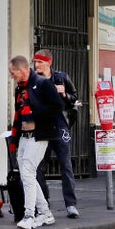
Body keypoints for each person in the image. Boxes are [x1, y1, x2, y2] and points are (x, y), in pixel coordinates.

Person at [8, 55, 64, 229]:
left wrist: (34, 112)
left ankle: (29, 215)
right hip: (25, 137)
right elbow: (18, 115)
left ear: (22, 70)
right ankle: (45, 212)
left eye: (13, 72)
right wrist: (14, 139)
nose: (11, 75)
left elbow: (58, 106)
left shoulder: (42, 83)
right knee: (28, 176)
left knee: (27, 174)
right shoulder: (20, 89)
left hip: (39, 136)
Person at [32, 49, 80, 219]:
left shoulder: (62, 78)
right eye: (35, 62)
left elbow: (75, 97)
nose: (36, 65)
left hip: (60, 126)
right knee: (38, 166)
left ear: (49, 63)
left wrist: (64, 93)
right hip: (42, 127)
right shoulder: (33, 81)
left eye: (40, 62)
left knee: (65, 165)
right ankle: (43, 203)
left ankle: (71, 204)